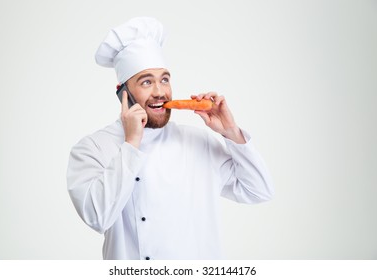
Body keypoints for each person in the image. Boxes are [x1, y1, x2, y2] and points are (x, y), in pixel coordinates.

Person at [67, 17, 274, 260]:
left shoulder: (199, 142)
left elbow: (259, 190)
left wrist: (231, 132)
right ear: (123, 93)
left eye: (164, 79)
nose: (160, 92)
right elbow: (97, 217)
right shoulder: (93, 148)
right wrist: (131, 144)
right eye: (146, 82)